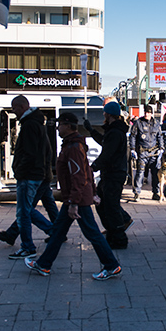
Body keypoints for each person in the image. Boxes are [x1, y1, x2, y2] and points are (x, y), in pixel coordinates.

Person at [25, 113, 123, 280]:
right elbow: (87, 172)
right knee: (57, 231)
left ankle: (111, 265)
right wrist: (90, 193)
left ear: (68, 126)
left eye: (60, 125)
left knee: (92, 233)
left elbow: (78, 176)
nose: (57, 128)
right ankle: (44, 264)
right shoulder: (72, 145)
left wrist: (74, 202)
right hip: (75, 198)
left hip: (77, 199)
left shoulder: (73, 147)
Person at [7, 95, 54, 260]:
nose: (13, 112)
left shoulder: (29, 126)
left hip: (29, 175)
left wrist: (19, 170)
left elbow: (29, 153)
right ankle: (53, 231)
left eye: (14, 108)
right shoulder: (36, 124)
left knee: (23, 213)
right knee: (27, 210)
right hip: (35, 174)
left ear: (21, 107)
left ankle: (28, 247)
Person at [91, 102, 132, 249]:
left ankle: (119, 238)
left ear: (108, 114)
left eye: (104, 113)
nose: (103, 115)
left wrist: (94, 167)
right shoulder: (114, 131)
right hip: (111, 173)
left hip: (114, 174)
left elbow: (107, 153)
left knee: (111, 206)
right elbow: (105, 143)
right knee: (103, 203)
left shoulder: (115, 132)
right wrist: (92, 131)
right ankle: (113, 232)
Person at [129, 104, 164, 201]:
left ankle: (155, 192)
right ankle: (137, 193)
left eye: (148, 112)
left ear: (151, 113)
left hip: (154, 152)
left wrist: (161, 147)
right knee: (140, 173)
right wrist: (132, 149)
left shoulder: (156, 123)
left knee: (155, 173)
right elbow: (133, 136)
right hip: (142, 152)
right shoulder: (138, 123)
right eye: (145, 112)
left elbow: (160, 136)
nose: (146, 114)